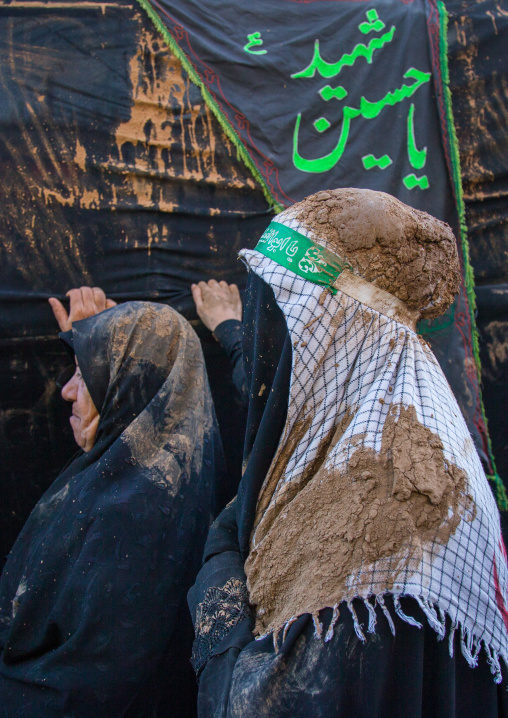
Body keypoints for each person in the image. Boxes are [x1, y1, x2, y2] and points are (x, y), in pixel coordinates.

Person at [188, 188, 508, 718]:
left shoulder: (390, 531)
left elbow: (257, 707)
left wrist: (220, 568)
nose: (262, 336)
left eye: (275, 320)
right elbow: (286, 391)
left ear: (328, 330)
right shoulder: (389, 410)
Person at [0, 300, 224, 717]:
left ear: (127, 384)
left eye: (85, 374)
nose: (66, 390)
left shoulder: (129, 521)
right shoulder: (158, 487)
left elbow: (84, 693)